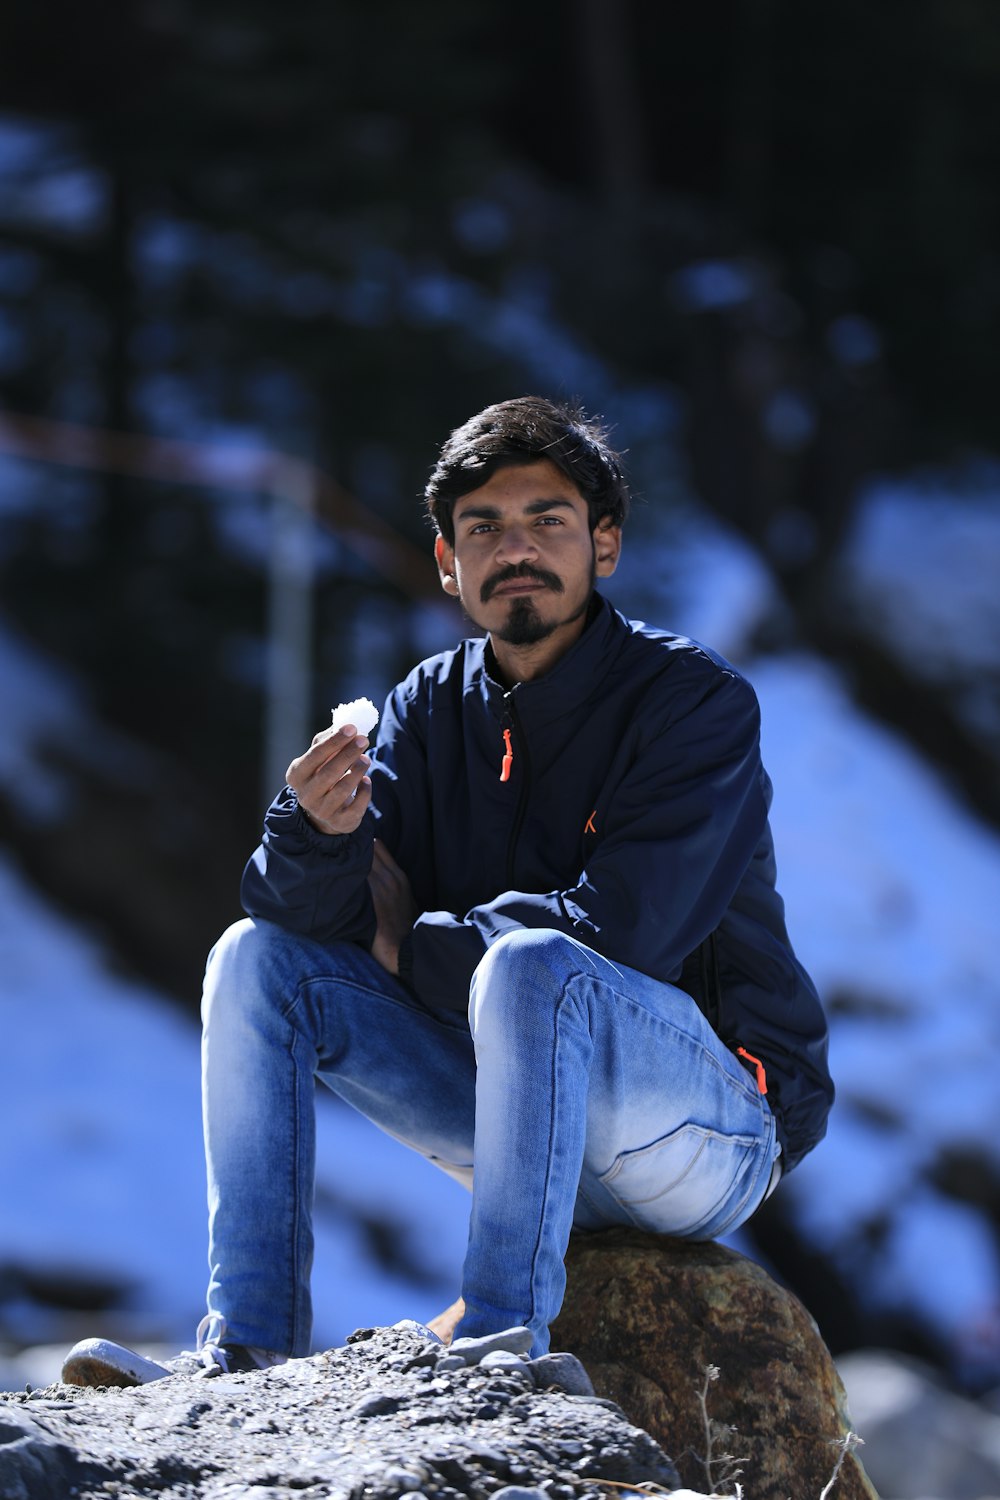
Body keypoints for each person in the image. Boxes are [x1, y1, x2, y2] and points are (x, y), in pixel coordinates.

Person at [63, 395, 833, 1387]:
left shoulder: (693, 703)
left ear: (604, 546)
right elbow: (317, 927)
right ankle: (247, 1348)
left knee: (537, 965)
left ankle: (502, 1349)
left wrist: (409, 944)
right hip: (512, 1111)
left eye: (547, 521)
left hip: (709, 1123)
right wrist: (314, 835)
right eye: (485, 529)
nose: (516, 549)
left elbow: (627, 932)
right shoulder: (428, 707)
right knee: (253, 960)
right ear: (447, 561)